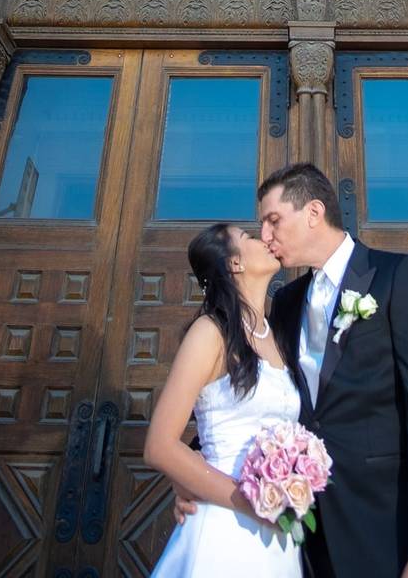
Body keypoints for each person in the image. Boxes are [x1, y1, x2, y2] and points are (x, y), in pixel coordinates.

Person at [175, 164, 408, 577]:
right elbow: (256, 397)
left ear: (313, 212)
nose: (266, 238)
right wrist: (191, 470)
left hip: (382, 526)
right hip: (300, 531)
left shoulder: (397, 277)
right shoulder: (287, 301)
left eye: (273, 221)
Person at [144, 223, 302, 577]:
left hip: (280, 532)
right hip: (227, 526)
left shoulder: (278, 336)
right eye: (249, 238)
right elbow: (159, 446)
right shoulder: (209, 333)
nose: (264, 238)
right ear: (234, 264)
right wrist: (253, 502)